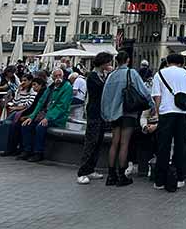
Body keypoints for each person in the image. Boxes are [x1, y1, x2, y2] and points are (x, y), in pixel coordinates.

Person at [102, 50, 152, 186]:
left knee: (114, 143)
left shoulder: (111, 75)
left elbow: (105, 97)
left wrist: (106, 114)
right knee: (124, 144)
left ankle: (110, 176)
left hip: (114, 114)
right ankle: (121, 175)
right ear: (128, 60)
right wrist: (152, 104)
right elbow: (143, 90)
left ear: (116, 61)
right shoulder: (132, 73)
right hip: (128, 113)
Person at [152, 52, 186, 190]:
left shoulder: (160, 74)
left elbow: (157, 96)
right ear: (181, 63)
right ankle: (179, 177)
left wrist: (157, 113)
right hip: (183, 113)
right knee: (181, 145)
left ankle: (160, 180)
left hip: (166, 112)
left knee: (163, 146)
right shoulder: (185, 74)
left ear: (168, 62)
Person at [18, 66, 73, 162]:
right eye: (56, 76)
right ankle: (27, 150)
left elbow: (61, 107)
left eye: (60, 75)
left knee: (40, 127)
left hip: (57, 118)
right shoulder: (50, 88)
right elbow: (40, 102)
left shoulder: (67, 87)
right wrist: (31, 116)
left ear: (63, 76)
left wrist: (48, 118)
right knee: (26, 125)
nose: (58, 78)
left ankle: (38, 152)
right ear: (52, 77)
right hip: (45, 115)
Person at [76, 52, 112, 184]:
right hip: (94, 113)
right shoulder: (92, 76)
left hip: (102, 113)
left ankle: (91, 169)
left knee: (98, 142)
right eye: (108, 62)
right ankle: (82, 171)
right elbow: (100, 90)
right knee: (91, 142)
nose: (109, 64)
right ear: (102, 63)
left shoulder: (103, 75)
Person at [3, 72, 47, 157]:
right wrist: (18, 91)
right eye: (22, 80)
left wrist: (24, 114)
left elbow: (30, 105)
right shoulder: (25, 90)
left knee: (18, 124)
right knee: (12, 124)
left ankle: (24, 149)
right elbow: (16, 101)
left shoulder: (35, 92)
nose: (23, 82)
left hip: (27, 112)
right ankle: (14, 148)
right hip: (23, 112)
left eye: (25, 80)